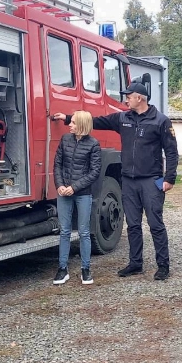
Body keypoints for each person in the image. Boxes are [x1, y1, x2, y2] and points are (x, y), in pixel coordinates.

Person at [52, 79, 179, 281]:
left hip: (150, 180)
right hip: (128, 179)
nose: (125, 100)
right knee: (133, 224)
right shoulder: (123, 118)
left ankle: (163, 265)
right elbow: (96, 121)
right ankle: (136, 263)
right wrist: (69, 118)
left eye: (128, 97)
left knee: (155, 223)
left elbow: (171, 151)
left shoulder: (160, 120)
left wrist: (169, 178)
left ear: (139, 98)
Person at [52, 110, 102, 285]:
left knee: (84, 232)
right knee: (64, 231)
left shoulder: (94, 144)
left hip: (82, 194)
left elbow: (94, 172)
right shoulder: (65, 140)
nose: (69, 125)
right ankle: (62, 269)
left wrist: (74, 187)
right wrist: (60, 186)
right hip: (64, 191)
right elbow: (57, 163)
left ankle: (85, 269)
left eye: (73, 122)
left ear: (81, 124)